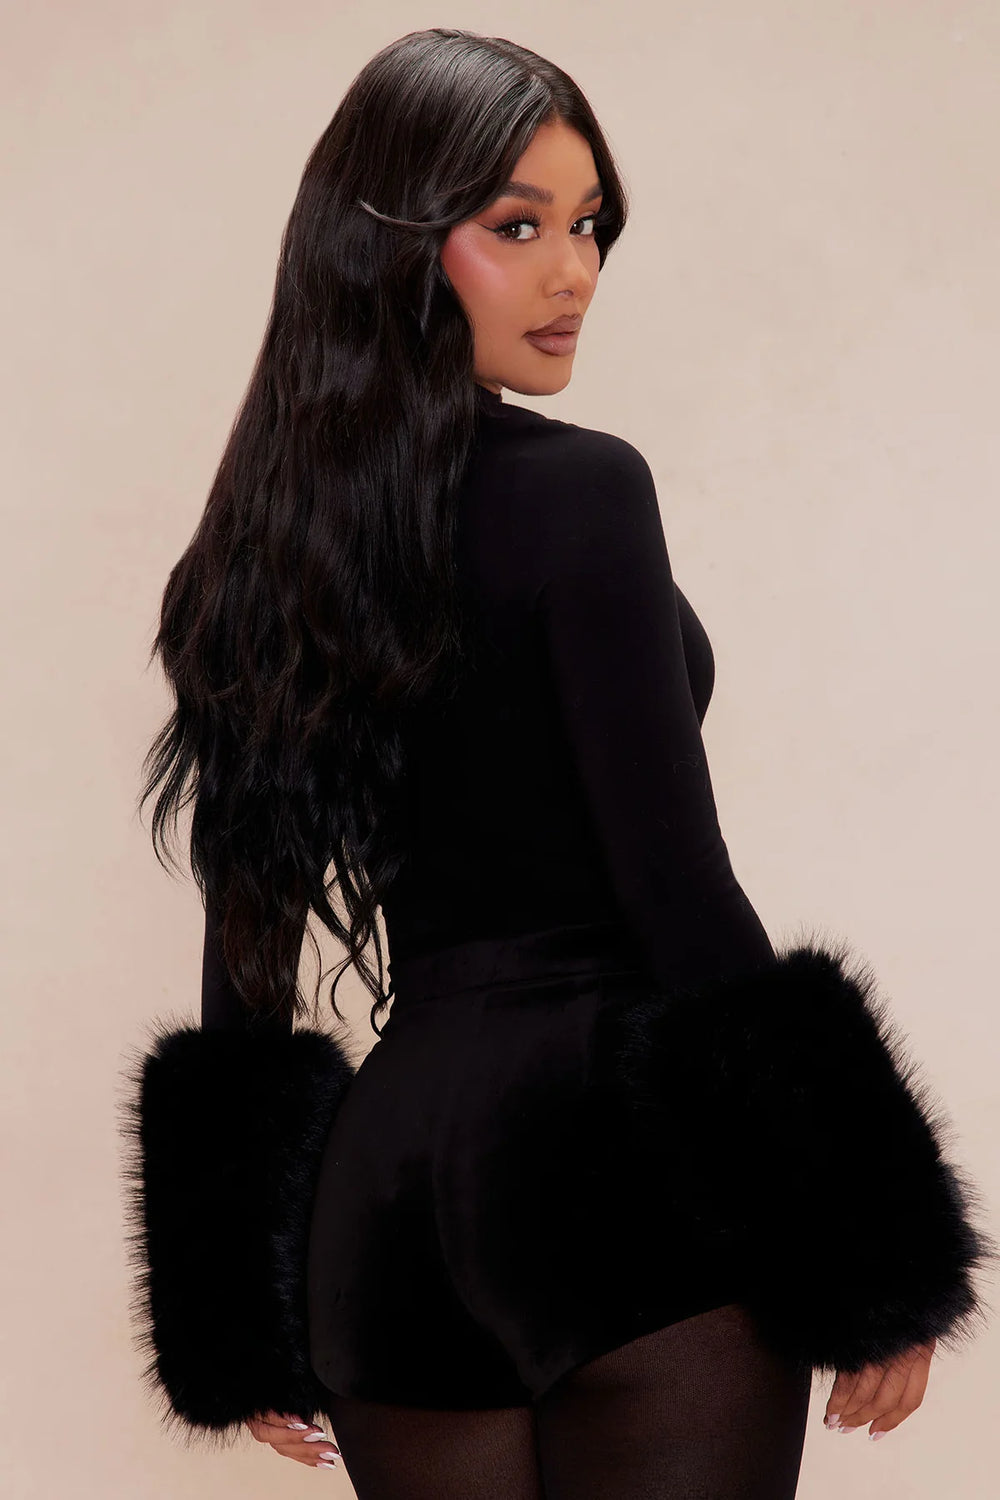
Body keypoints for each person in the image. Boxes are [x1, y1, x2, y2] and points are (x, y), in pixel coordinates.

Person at [119, 28, 994, 1500]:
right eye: (516, 227)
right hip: (611, 1161)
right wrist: (868, 1246)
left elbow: (246, 947)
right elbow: (675, 888)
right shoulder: (584, 494)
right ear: (393, 244)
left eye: (589, 227)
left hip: (388, 1207)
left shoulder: (246, 565)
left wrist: (236, 1309)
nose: (573, 273)